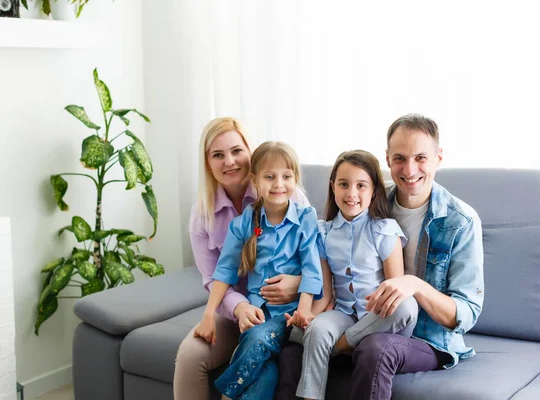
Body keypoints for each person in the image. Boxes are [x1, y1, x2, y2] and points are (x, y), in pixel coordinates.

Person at [276, 114, 484, 400]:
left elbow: (467, 313)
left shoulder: (461, 221)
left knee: (375, 349)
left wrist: (415, 285)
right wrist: (299, 283)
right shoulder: (368, 198)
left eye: (421, 158)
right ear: (387, 159)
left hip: (427, 338)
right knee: (290, 351)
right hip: (363, 319)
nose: (409, 169)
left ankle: (339, 346)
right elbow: (330, 253)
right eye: (400, 158)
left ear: (438, 158)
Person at [174, 118, 309, 400]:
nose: (230, 162)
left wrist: (296, 283)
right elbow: (214, 277)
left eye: (237, 151)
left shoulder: (285, 192)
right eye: (218, 155)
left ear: (250, 151)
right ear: (207, 163)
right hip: (235, 312)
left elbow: (315, 256)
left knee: (262, 362)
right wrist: (239, 308)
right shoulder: (203, 213)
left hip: (282, 310)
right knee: (190, 355)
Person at [292, 150, 418, 400]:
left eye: (361, 185)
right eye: (343, 184)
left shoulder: (384, 230)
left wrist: (381, 306)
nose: (351, 193)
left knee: (407, 305)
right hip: (344, 313)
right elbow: (326, 290)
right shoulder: (323, 232)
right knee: (316, 329)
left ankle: (342, 346)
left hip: (381, 316)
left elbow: (396, 287)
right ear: (333, 188)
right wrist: (309, 317)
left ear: (373, 191)